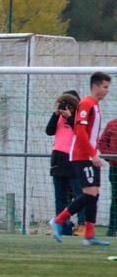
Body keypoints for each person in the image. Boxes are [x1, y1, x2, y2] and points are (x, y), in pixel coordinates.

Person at [50, 71, 112, 246]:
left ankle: (89, 235)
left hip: (90, 155)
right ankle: (58, 220)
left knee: (94, 194)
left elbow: (91, 134)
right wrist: (92, 154)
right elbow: (80, 131)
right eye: (105, 87)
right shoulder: (85, 104)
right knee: (89, 194)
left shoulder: (95, 105)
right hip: (82, 156)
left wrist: (95, 152)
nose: (107, 91)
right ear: (96, 86)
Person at [45, 90, 84, 236]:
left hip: (74, 159)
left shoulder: (80, 118)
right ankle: (63, 226)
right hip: (59, 160)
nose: (66, 107)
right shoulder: (58, 117)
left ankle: (82, 225)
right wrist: (56, 114)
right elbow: (49, 131)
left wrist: (69, 117)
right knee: (60, 197)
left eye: (69, 104)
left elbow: (81, 132)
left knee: (79, 194)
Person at [98, 117, 117, 237]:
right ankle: (112, 229)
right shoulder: (112, 124)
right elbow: (102, 143)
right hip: (115, 167)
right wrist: (110, 158)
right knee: (115, 199)